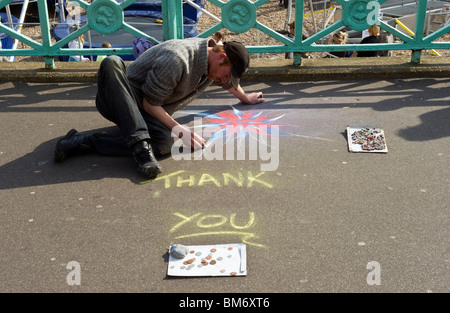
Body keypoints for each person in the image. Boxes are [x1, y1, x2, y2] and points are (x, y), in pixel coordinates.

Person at [54, 38, 265, 179]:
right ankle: (141, 152)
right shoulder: (177, 59)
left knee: (164, 143)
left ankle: (83, 142)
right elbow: (150, 103)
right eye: (225, 75)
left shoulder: (212, 63)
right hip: (119, 100)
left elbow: (227, 82)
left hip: (146, 110)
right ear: (221, 57)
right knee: (111, 62)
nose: (222, 81)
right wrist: (181, 130)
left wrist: (245, 97)